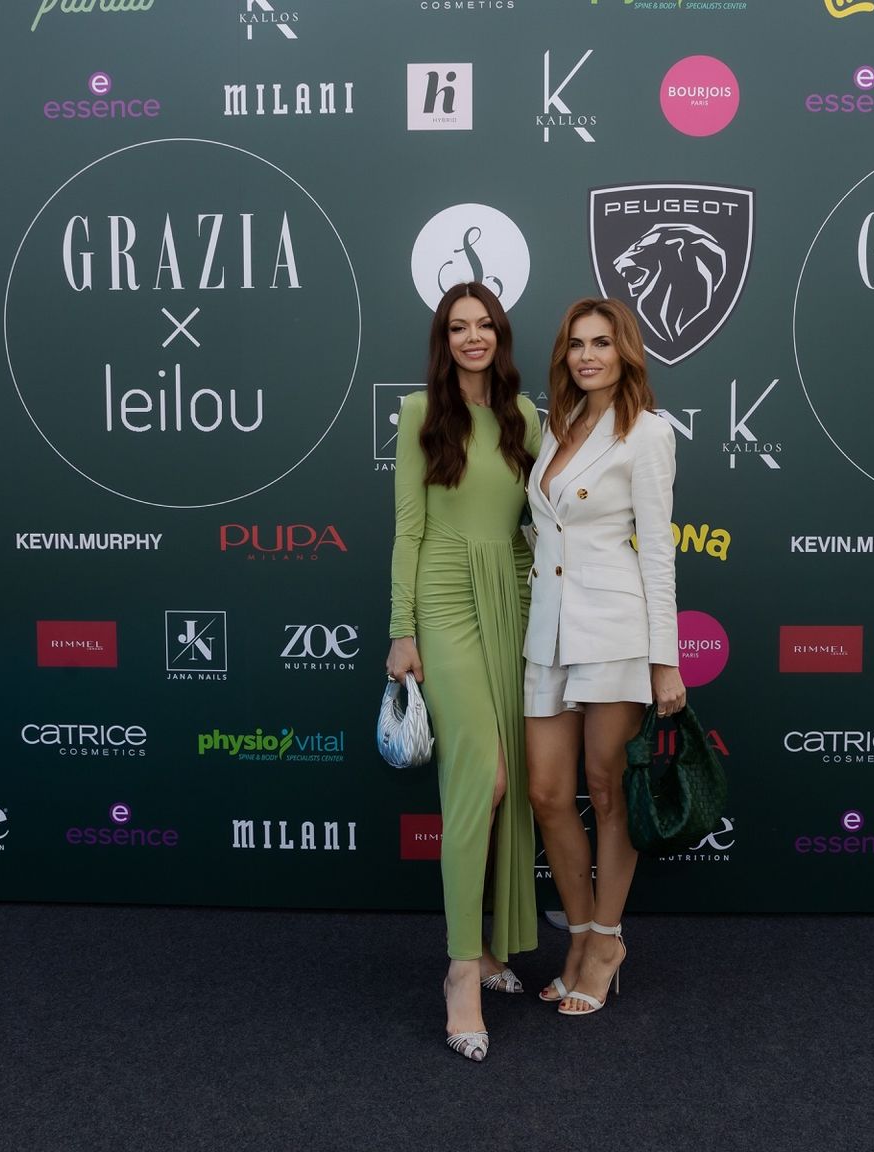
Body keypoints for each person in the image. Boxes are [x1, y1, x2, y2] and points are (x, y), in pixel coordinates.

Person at [386, 281, 543, 1062]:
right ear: (443, 340)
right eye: (458, 327)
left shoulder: (526, 419)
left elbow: (537, 524)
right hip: (445, 600)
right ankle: (459, 971)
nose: (472, 337)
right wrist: (401, 631)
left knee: (508, 780)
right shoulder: (420, 414)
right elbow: (407, 530)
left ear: (499, 336)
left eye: (483, 325)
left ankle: (486, 949)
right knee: (481, 779)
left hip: (511, 601)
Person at [523, 297, 685, 1017]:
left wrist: (665, 659)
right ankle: (582, 936)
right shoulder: (556, 425)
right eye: (576, 344)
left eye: (601, 343)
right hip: (548, 632)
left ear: (625, 353)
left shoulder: (647, 431)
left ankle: (605, 943)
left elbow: (657, 549)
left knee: (607, 788)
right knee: (548, 793)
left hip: (615, 629)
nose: (587, 355)